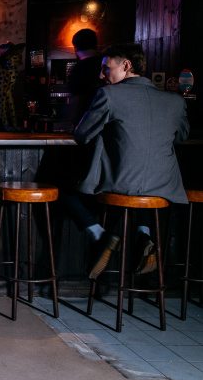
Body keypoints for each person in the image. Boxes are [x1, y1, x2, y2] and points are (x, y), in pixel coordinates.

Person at [75, 43, 189, 279]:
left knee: (65, 188)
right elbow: (182, 136)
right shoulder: (175, 101)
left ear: (126, 65)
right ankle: (143, 235)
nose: (102, 75)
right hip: (164, 186)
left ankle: (100, 234)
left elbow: (82, 135)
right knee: (141, 187)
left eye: (106, 68)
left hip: (122, 182)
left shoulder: (109, 95)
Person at [56, 29, 105, 253]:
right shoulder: (105, 66)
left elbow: (75, 104)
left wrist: (66, 125)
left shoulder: (80, 68)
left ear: (74, 47)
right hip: (109, 145)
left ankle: (96, 230)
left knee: (61, 183)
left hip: (86, 141)